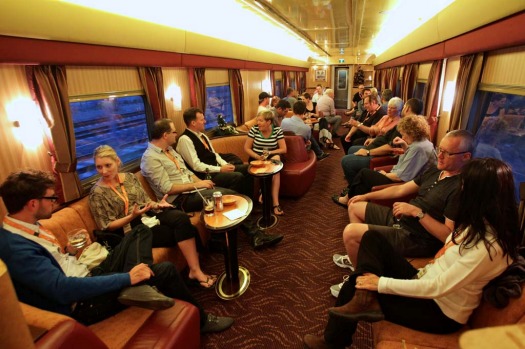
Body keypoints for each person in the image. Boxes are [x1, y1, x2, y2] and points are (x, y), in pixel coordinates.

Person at [304, 158, 519, 349]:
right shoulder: (480, 224)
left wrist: (378, 283)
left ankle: (333, 342)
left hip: (438, 312)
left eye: (465, 187)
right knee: (372, 239)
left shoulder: (489, 248)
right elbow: (449, 245)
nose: (461, 191)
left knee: (355, 284)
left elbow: (437, 287)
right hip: (425, 280)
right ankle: (364, 298)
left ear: (480, 196)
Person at [0, 170, 233, 332]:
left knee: (140, 233)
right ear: (32, 203)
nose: (55, 202)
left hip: (86, 272)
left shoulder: (27, 228)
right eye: (51, 198)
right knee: (166, 270)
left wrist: (68, 252)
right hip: (83, 302)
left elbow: (51, 263)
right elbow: (62, 289)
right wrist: (127, 277)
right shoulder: (16, 248)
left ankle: (138, 287)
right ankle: (202, 321)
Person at [339, 130, 474, 272]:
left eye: (447, 153)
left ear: (465, 156)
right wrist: (366, 196)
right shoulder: (436, 171)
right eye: (440, 149)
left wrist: (417, 212)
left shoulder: (460, 188)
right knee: (355, 206)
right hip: (403, 220)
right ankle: (363, 258)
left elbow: (447, 236)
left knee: (350, 232)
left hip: (416, 238)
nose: (439, 156)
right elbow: (400, 190)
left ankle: (359, 276)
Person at [141, 119, 283, 249]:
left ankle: (235, 232)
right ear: (165, 135)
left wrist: (202, 182)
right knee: (231, 196)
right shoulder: (150, 158)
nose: (176, 135)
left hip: (193, 189)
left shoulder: (170, 150)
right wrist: (199, 185)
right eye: (173, 132)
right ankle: (256, 236)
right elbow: (168, 188)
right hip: (180, 199)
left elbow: (187, 173)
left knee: (231, 190)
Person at [89, 145, 217, 289]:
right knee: (186, 230)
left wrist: (158, 205)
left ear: (117, 161)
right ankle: (196, 270)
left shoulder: (130, 178)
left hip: (147, 215)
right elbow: (107, 226)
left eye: (108, 165)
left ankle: (194, 270)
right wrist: (132, 216)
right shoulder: (97, 193)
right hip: (130, 231)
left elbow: (145, 201)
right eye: (99, 167)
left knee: (180, 218)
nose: (104, 171)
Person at [333, 114, 436, 207]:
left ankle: (349, 199)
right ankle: (353, 198)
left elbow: (399, 177)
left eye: (404, 134)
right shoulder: (423, 142)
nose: (403, 137)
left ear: (412, 133)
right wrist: (404, 145)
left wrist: (384, 174)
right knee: (364, 176)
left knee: (364, 173)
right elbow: (412, 160)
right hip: (402, 177)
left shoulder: (418, 148)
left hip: (402, 183)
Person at [339, 98, 423, 187]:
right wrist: (374, 139)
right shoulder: (404, 123)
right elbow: (382, 135)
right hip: (378, 146)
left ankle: (354, 188)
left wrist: (368, 152)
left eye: (393, 108)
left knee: (345, 161)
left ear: (407, 109)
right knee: (352, 149)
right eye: (389, 107)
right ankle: (355, 182)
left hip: (381, 155)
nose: (389, 109)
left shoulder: (404, 125)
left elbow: (391, 148)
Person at [177, 107, 250, 196]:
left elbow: (214, 154)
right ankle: (235, 203)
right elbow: (196, 166)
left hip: (216, 169)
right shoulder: (185, 140)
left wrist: (224, 165)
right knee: (237, 177)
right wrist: (220, 169)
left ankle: (250, 202)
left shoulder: (203, 135)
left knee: (248, 169)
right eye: (202, 120)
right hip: (205, 175)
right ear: (193, 123)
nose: (205, 121)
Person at [244, 110, 287, 216]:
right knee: (272, 166)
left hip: (271, 157)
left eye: (261, 121)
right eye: (257, 120)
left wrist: (270, 152)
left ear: (269, 122)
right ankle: (263, 192)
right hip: (256, 158)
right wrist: (258, 157)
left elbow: (283, 149)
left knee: (276, 163)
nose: (258, 123)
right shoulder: (254, 130)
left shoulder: (277, 131)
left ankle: (275, 203)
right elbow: (246, 148)